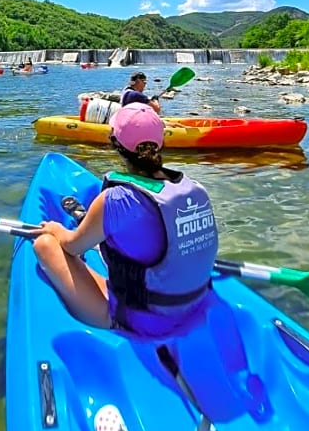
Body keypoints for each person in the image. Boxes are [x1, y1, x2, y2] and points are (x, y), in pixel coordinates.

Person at [30, 103, 219, 336]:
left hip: (142, 321)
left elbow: (71, 245)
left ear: (115, 144)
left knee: (45, 245)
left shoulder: (115, 199)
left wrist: (56, 229)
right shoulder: (194, 188)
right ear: (161, 143)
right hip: (194, 307)